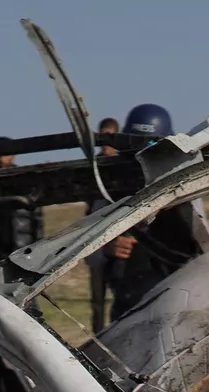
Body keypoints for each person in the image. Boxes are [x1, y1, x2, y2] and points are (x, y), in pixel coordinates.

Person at [106, 103, 209, 320]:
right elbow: (85, 250)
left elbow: (202, 244)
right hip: (126, 305)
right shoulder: (109, 185)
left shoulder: (185, 185)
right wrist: (106, 248)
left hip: (176, 299)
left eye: (152, 148)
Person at [86, 117, 122, 330]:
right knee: (97, 301)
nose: (106, 143)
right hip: (96, 242)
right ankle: (97, 337)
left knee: (122, 296)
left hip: (121, 241)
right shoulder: (93, 167)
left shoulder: (126, 165)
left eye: (110, 137)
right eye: (102, 138)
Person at [0, 137, 45, 260]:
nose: (0, 158)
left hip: (23, 242)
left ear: (13, 155)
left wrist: (38, 243)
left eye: (4, 154)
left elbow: (37, 215)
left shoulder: (24, 180)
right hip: (0, 244)